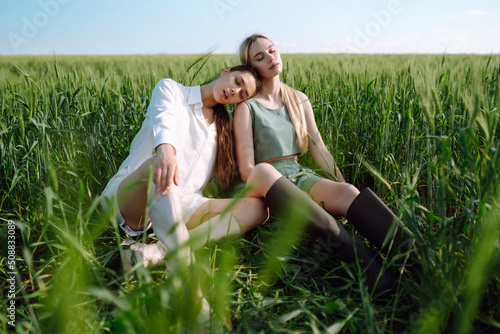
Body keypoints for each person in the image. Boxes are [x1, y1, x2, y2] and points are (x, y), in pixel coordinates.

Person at [233, 34, 418, 296]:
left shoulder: (298, 99)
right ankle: (380, 280)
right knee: (319, 212)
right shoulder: (246, 107)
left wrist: (340, 184)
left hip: (299, 174)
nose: (271, 58)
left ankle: (417, 262)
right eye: (260, 57)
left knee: (350, 193)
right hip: (269, 186)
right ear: (252, 67)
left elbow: (318, 147)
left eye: (272, 51)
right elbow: (247, 170)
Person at [100, 65, 268, 275]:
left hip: (182, 204)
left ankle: (156, 252)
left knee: (258, 207)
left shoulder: (223, 130)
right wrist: (166, 152)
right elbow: (164, 123)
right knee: (160, 166)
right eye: (237, 81)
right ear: (226, 71)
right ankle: (183, 278)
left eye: (242, 94)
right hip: (136, 197)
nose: (234, 91)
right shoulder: (172, 90)